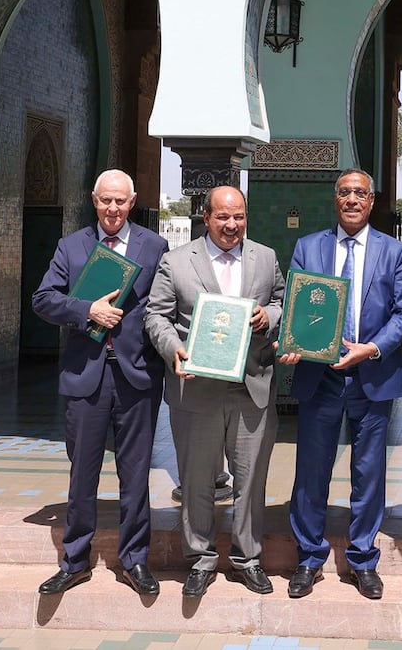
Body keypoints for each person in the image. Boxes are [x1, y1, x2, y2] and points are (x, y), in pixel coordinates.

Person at [31, 169, 169, 596]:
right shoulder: (70, 246)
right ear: (94, 199)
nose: (113, 209)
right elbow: (43, 298)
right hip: (86, 375)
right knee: (83, 473)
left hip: (136, 375)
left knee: (135, 474)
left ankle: (134, 560)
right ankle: (75, 561)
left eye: (121, 202)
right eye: (105, 201)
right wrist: (86, 309)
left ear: (133, 201)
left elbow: (165, 304)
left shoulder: (155, 246)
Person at [280, 169, 402, 600]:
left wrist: (371, 349)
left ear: (371, 201)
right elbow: (294, 304)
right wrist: (294, 340)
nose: (353, 200)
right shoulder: (308, 246)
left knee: (368, 472)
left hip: (372, 375)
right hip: (319, 377)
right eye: (345, 193)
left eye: (361, 193)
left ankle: (362, 558)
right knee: (311, 472)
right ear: (335, 199)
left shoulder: (393, 251)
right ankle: (309, 558)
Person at [145, 185, 285, 598]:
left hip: (251, 386)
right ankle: (200, 559)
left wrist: (269, 316)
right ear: (205, 217)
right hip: (197, 387)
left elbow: (281, 300)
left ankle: (248, 558)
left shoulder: (265, 258)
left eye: (239, 216)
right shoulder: (175, 261)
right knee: (197, 480)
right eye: (223, 217)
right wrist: (174, 349)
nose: (232, 225)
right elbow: (157, 315)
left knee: (250, 479)